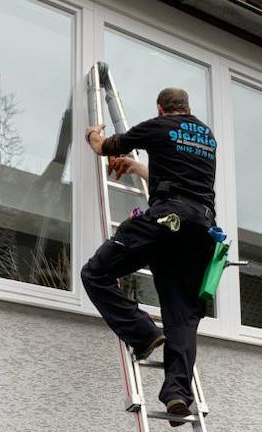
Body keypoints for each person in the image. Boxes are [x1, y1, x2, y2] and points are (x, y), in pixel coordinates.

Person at [81, 87, 217, 426]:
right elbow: (181, 178)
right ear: (188, 107)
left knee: (95, 273)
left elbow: (104, 148)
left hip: (166, 220)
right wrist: (139, 168)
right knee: (183, 315)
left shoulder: (159, 127)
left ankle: (142, 333)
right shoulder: (207, 136)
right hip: (200, 229)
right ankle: (177, 394)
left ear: (161, 108)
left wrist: (93, 135)